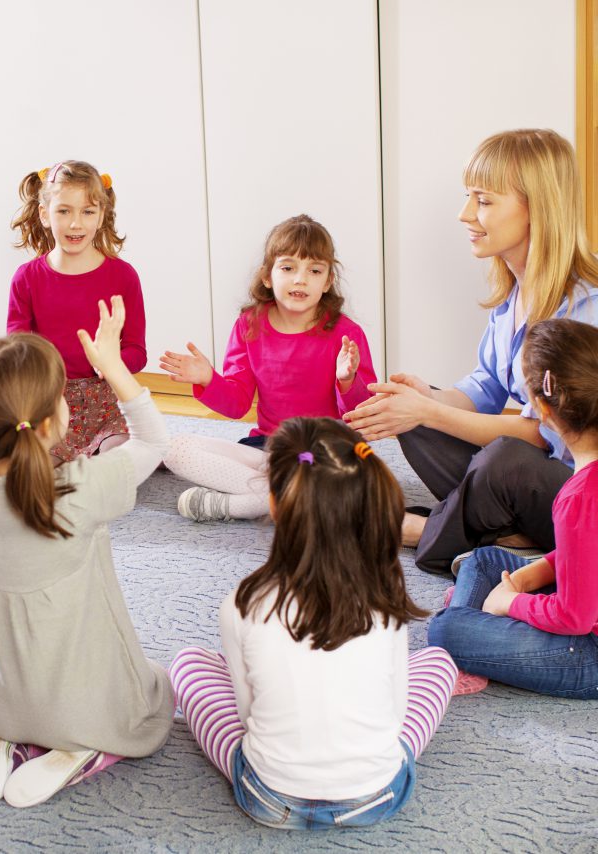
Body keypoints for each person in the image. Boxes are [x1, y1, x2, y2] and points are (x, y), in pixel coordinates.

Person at [0, 296, 174, 808]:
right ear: (51, 425)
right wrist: (110, 364)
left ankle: (9, 737)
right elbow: (153, 441)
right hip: (88, 708)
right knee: (161, 691)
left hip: (2, 703)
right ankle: (84, 747)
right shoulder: (74, 489)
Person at [169, 417, 457, 829]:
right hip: (379, 796)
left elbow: (248, 715)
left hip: (268, 799)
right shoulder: (385, 592)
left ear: (273, 502)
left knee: (189, 664)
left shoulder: (242, 603)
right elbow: (395, 718)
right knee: (439, 663)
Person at [344, 129, 598, 574]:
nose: (465, 214)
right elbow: (484, 385)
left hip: (582, 498)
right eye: (469, 198)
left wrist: (429, 412)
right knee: (413, 412)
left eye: (483, 200)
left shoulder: (584, 311)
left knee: (504, 460)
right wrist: (427, 400)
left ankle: (417, 530)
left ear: (537, 207)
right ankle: (504, 536)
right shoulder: (513, 298)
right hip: (536, 479)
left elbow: (547, 434)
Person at [160, 214, 376, 522]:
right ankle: (282, 497)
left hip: (321, 454)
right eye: (288, 268)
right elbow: (236, 403)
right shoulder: (249, 326)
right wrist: (209, 379)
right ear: (267, 276)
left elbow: (362, 416)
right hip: (268, 451)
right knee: (174, 449)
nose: (300, 279)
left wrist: (347, 380)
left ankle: (243, 503)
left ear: (328, 281)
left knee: (338, 477)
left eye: (314, 270)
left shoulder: (347, 334)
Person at [427, 318, 598, 698]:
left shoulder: (578, 498)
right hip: (588, 600)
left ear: (542, 409)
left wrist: (513, 602)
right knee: (484, 559)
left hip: (588, 654)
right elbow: (587, 549)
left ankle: (470, 632)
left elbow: (575, 617)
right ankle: (478, 625)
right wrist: (537, 571)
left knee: (445, 631)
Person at [8, 160, 147, 462]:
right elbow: (18, 351)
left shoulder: (124, 276)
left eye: (87, 211)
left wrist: (110, 363)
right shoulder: (26, 278)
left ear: (101, 217)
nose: (76, 223)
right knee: (29, 465)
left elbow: (137, 351)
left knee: (122, 460)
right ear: (45, 214)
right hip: (51, 401)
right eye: (64, 211)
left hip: (110, 398)